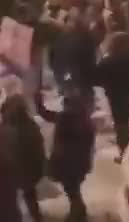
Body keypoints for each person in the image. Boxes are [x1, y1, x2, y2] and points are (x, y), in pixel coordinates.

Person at [37, 86, 96, 222]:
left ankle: (77, 214)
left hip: (66, 165)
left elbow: (46, 114)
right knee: (74, 190)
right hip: (80, 164)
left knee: (72, 191)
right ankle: (80, 211)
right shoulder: (86, 121)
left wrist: (37, 100)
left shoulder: (65, 119)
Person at [95, 32, 129, 163]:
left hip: (114, 95)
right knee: (124, 121)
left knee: (120, 123)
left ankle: (124, 151)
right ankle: (125, 147)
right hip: (128, 94)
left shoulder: (107, 61)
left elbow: (96, 78)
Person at [1, 94, 46, 222]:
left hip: (13, 171)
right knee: (28, 194)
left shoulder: (8, 128)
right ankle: (36, 216)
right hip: (28, 169)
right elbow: (39, 147)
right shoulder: (30, 125)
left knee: (11, 201)